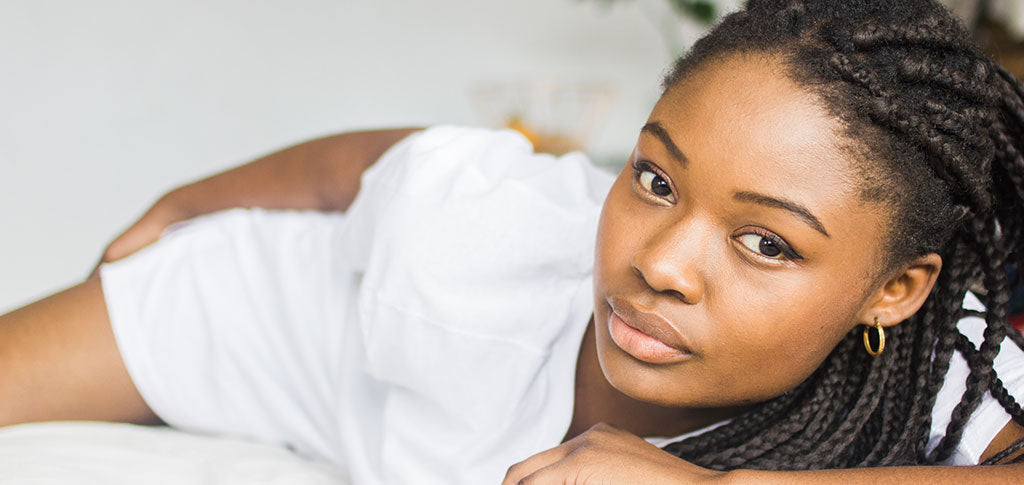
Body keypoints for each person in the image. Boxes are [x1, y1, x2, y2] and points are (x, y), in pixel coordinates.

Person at [3, 0, 1024, 482]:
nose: (659, 261)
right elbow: (379, 159)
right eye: (654, 178)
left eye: (764, 242)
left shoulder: (928, 363)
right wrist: (187, 203)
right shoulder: (489, 233)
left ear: (895, 287)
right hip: (281, 314)